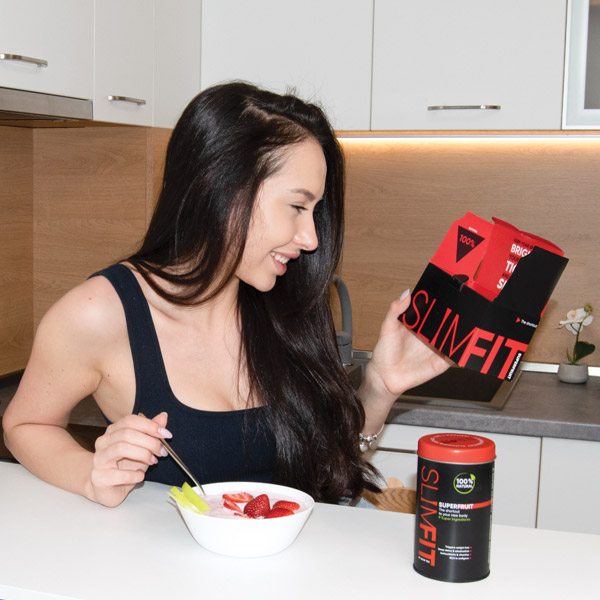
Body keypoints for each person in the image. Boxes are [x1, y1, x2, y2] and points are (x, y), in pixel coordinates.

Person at [2, 82, 450, 508]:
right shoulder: (100, 313)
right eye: (297, 206)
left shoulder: (282, 305)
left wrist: (379, 388)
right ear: (224, 186)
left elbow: (326, 476)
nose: (311, 238)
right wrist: (89, 475)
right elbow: (25, 423)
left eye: (315, 212)